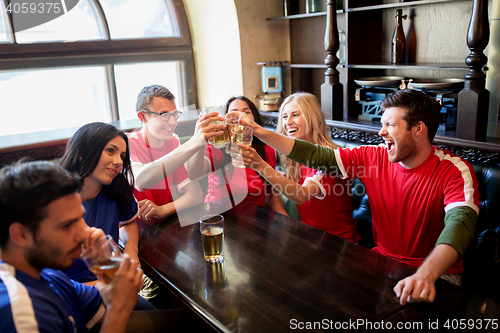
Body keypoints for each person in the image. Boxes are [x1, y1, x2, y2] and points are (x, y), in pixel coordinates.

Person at [233, 89, 480, 306]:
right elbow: (319, 157)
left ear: (418, 129)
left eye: (390, 125)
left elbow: (460, 227)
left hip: (437, 274)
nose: (381, 132)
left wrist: (425, 275)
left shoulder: (455, 170)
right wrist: (257, 130)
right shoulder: (373, 156)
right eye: (381, 124)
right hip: (383, 261)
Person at [0, 160, 143, 333]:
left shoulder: (48, 274)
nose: (84, 233)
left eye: (80, 219)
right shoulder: (21, 313)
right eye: (67, 225)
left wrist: (104, 261)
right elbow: (116, 311)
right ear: (20, 235)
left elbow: (106, 306)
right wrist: (118, 312)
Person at [240, 92, 360, 242]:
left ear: (313, 118)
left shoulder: (330, 157)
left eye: (295, 115)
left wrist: (260, 165)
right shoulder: (295, 158)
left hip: (337, 242)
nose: (288, 122)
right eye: (284, 117)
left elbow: (301, 195)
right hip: (308, 237)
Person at [59, 122, 141, 285]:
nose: (118, 162)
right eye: (110, 151)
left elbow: (128, 223)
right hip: (66, 292)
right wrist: (104, 285)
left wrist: (131, 250)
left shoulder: (117, 187)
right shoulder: (52, 199)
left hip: (107, 280)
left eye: (122, 156)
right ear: (82, 152)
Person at [127, 85, 222, 222]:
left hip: (161, 226)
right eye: (165, 115)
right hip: (131, 229)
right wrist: (193, 143)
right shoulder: (126, 143)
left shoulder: (172, 141)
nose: (172, 122)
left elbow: (195, 194)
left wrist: (163, 210)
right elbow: (140, 181)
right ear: (143, 117)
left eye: (175, 115)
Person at [187, 96, 287, 214]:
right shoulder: (218, 147)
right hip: (221, 217)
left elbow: (270, 192)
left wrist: (287, 225)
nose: (240, 116)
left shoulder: (266, 149)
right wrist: (198, 142)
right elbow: (195, 174)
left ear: (254, 118)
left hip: (258, 218)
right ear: (224, 120)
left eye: (246, 112)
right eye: (234, 112)